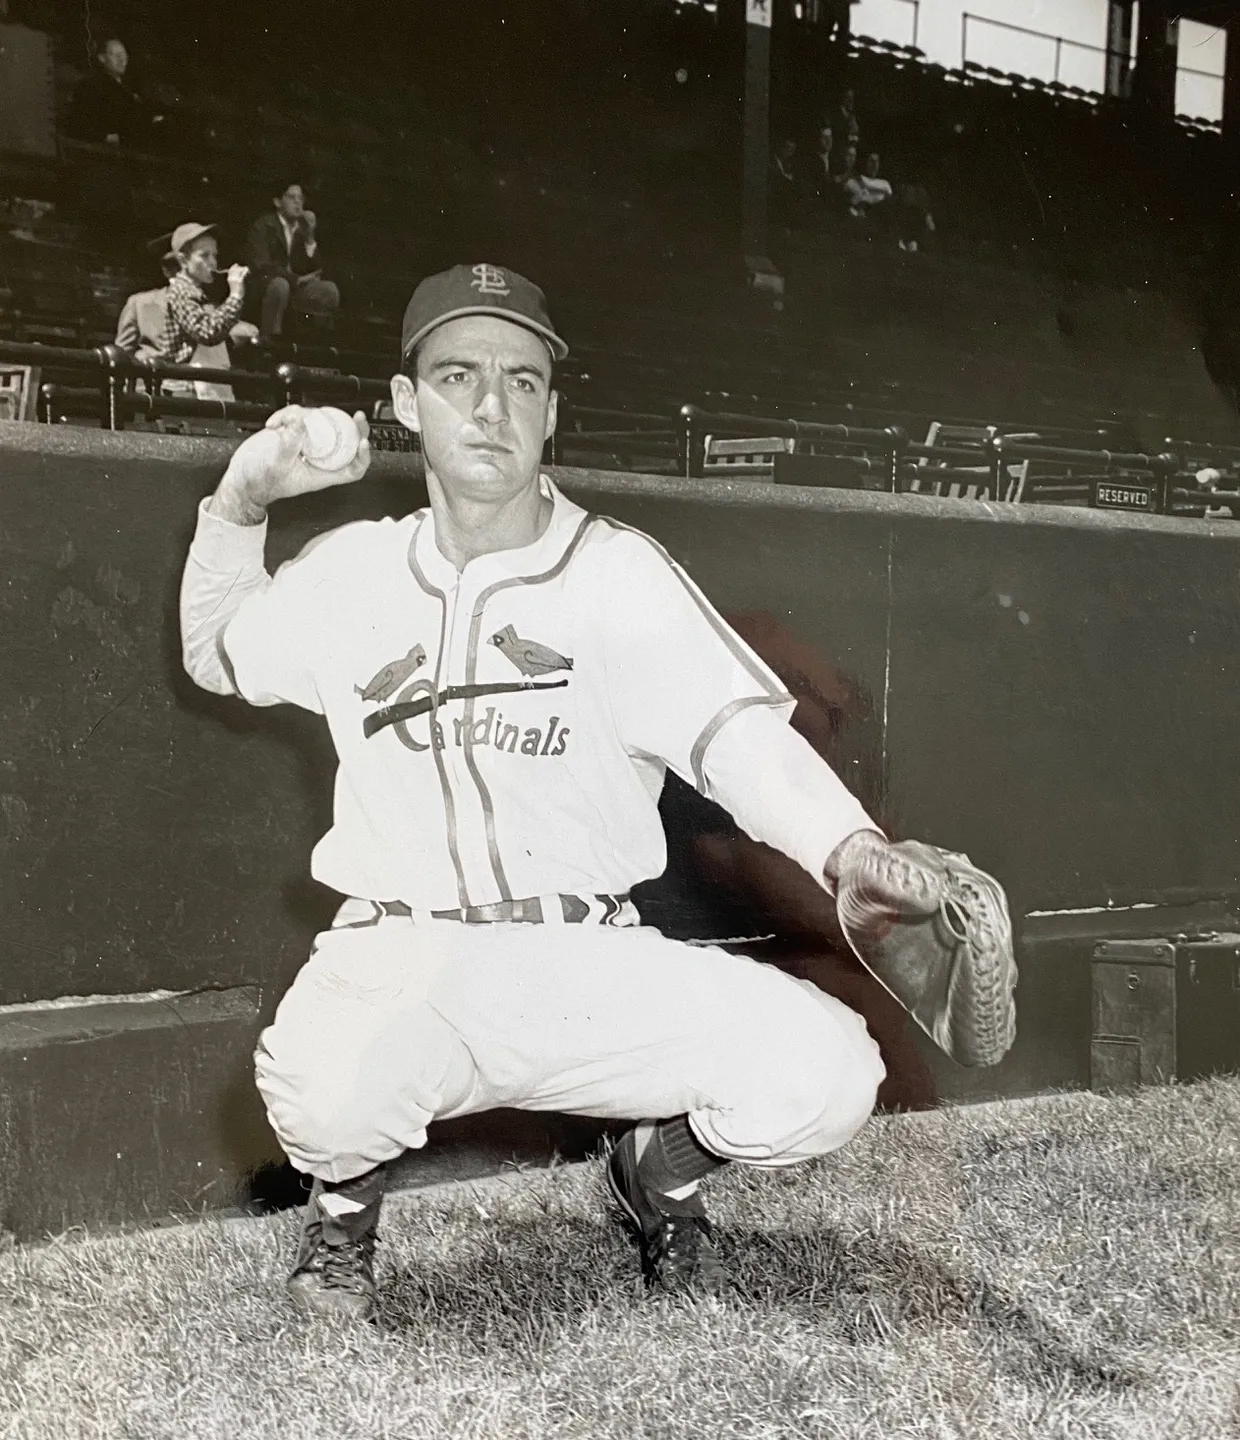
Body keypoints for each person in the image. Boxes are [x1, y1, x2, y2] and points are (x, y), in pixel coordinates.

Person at [179, 262, 1013, 1320]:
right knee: (319, 1078)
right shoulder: (351, 573)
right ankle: (344, 1219)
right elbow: (216, 651)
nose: (491, 406)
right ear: (403, 403)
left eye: (522, 381)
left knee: (826, 1076)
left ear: (552, 409)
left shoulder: (617, 573)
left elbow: (740, 743)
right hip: (409, 958)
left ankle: (655, 1175)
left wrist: (847, 849)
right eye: (457, 376)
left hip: (590, 961)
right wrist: (243, 497)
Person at [116, 244, 257, 398]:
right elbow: (122, 353)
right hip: (171, 389)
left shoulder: (204, 304)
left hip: (186, 389)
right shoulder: (141, 302)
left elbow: (122, 353)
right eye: (174, 268)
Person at [244, 183, 340, 344]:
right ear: (278, 202)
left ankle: (319, 343)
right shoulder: (263, 226)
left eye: (300, 198)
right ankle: (269, 340)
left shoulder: (302, 229)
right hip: (266, 286)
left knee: (329, 290)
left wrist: (309, 236)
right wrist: (295, 279)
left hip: (295, 288)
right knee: (280, 285)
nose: (298, 202)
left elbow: (316, 269)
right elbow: (262, 265)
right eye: (291, 197)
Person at [157, 223, 250, 387]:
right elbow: (206, 332)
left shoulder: (197, 292)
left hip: (201, 383)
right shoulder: (181, 291)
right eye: (204, 256)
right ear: (183, 260)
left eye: (214, 255)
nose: (213, 263)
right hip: (184, 386)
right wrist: (235, 295)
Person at [65, 37, 164, 148]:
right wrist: (106, 137)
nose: (122, 60)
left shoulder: (129, 87)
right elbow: (80, 122)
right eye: (116, 55)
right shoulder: (93, 85)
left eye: (123, 54)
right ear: (102, 58)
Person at [845, 150, 893, 219]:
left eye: (876, 161)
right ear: (865, 163)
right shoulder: (853, 181)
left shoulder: (885, 183)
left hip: (879, 218)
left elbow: (889, 205)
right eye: (871, 161)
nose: (874, 164)